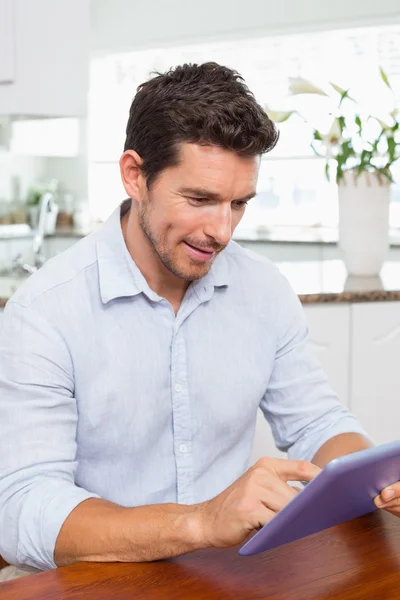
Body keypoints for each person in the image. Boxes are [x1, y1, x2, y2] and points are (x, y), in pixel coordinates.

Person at [0, 63, 399, 580]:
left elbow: (318, 424)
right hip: (94, 580)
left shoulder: (263, 289)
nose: (223, 230)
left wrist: (381, 478)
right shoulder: (44, 313)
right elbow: (22, 507)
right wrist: (201, 522)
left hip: (229, 576)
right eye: (200, 199)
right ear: (134, 175)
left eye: (239, 204)